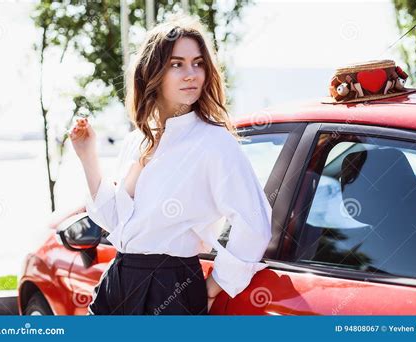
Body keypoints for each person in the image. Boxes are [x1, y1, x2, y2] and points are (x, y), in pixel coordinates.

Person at [69, 15, 272, 315]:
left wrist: (217, 284)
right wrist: (88, 156)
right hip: (118, 280)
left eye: (198, 63)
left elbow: (254, 223)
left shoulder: (214, 142)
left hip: (170, 287)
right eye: (177, 64)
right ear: (153, 73)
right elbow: (115, 223)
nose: (191, 74)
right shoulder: (135, 141)